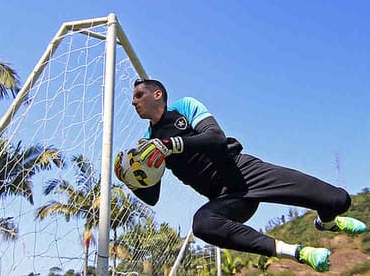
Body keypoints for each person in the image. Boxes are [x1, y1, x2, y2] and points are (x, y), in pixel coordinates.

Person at [118, 79, 367, 273]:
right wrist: (129, 179)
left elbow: (215, 138)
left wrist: (171, 144)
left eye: (139, 95)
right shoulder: (148, 142)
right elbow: (152, 197)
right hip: (227, 200)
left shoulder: (185, 107)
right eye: (133, 98)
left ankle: (327, 222)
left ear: (157, 94)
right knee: (203, 224)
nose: (134, 102)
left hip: (245, 172)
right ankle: (298, 252)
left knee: (339, 200)